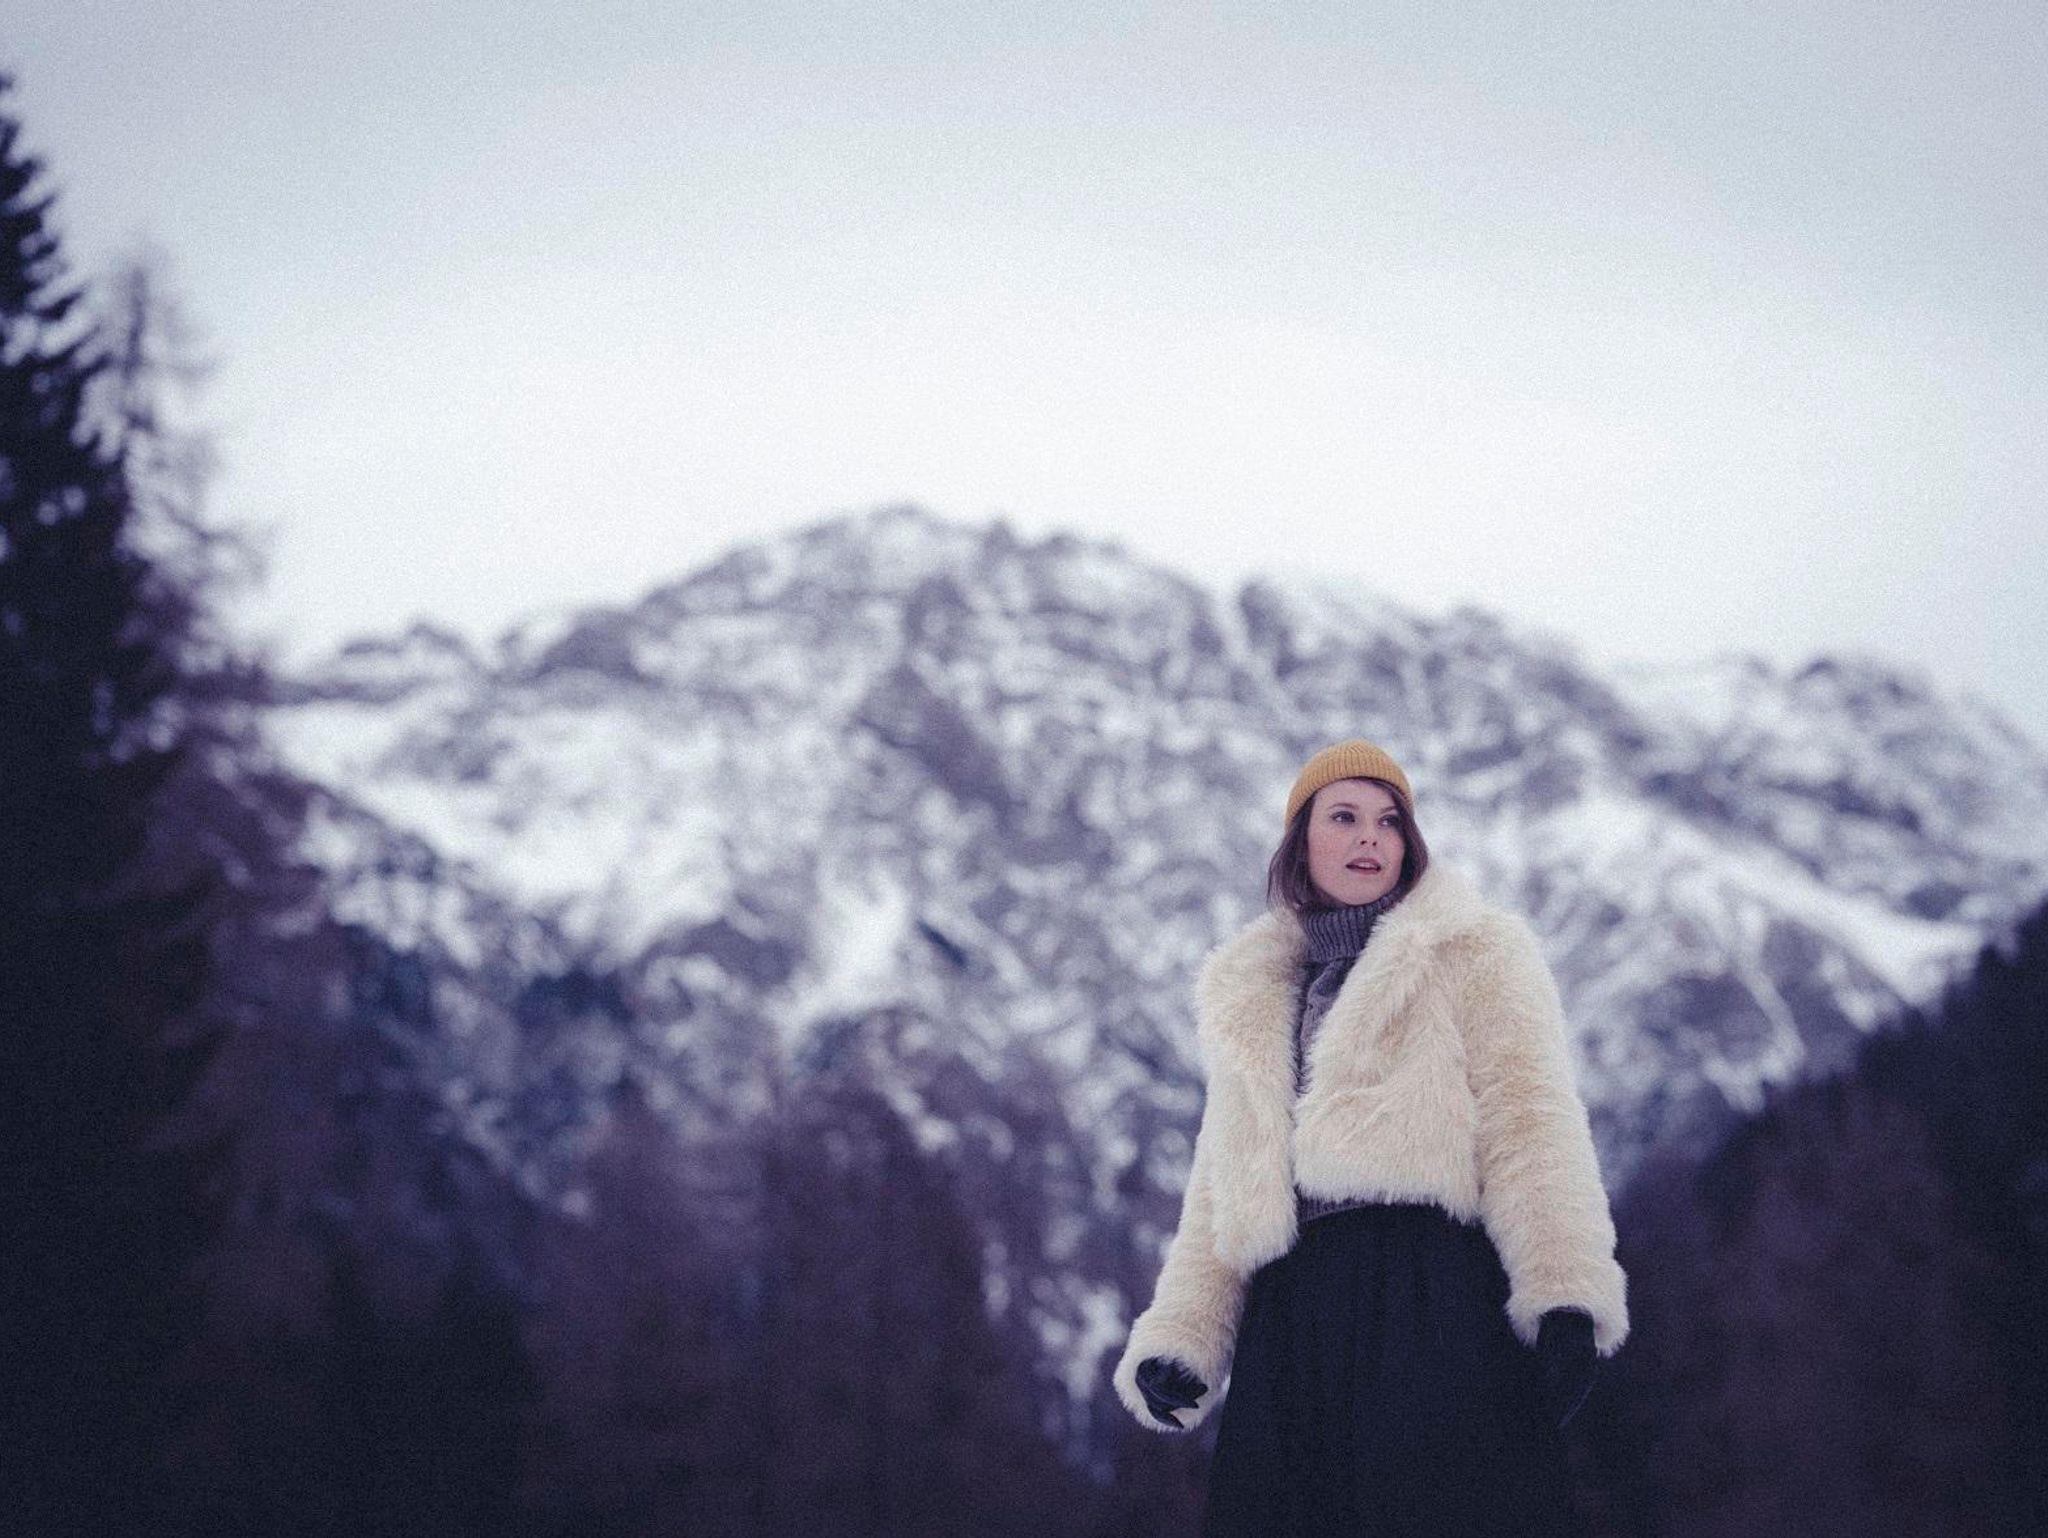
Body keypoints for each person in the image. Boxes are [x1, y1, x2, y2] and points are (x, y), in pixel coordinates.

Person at [1110, 739, 1627, 1537]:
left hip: (1431, 1301)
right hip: (1291, 1325)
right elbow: (1225, 1182)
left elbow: (1531, 1122)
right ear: (1301, 843)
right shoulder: (1256, 993)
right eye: (1344, 817)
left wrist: (1565, 1295)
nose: (1369, 839)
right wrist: (1183, 1338)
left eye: (1389, 822)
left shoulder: (1476, 951)